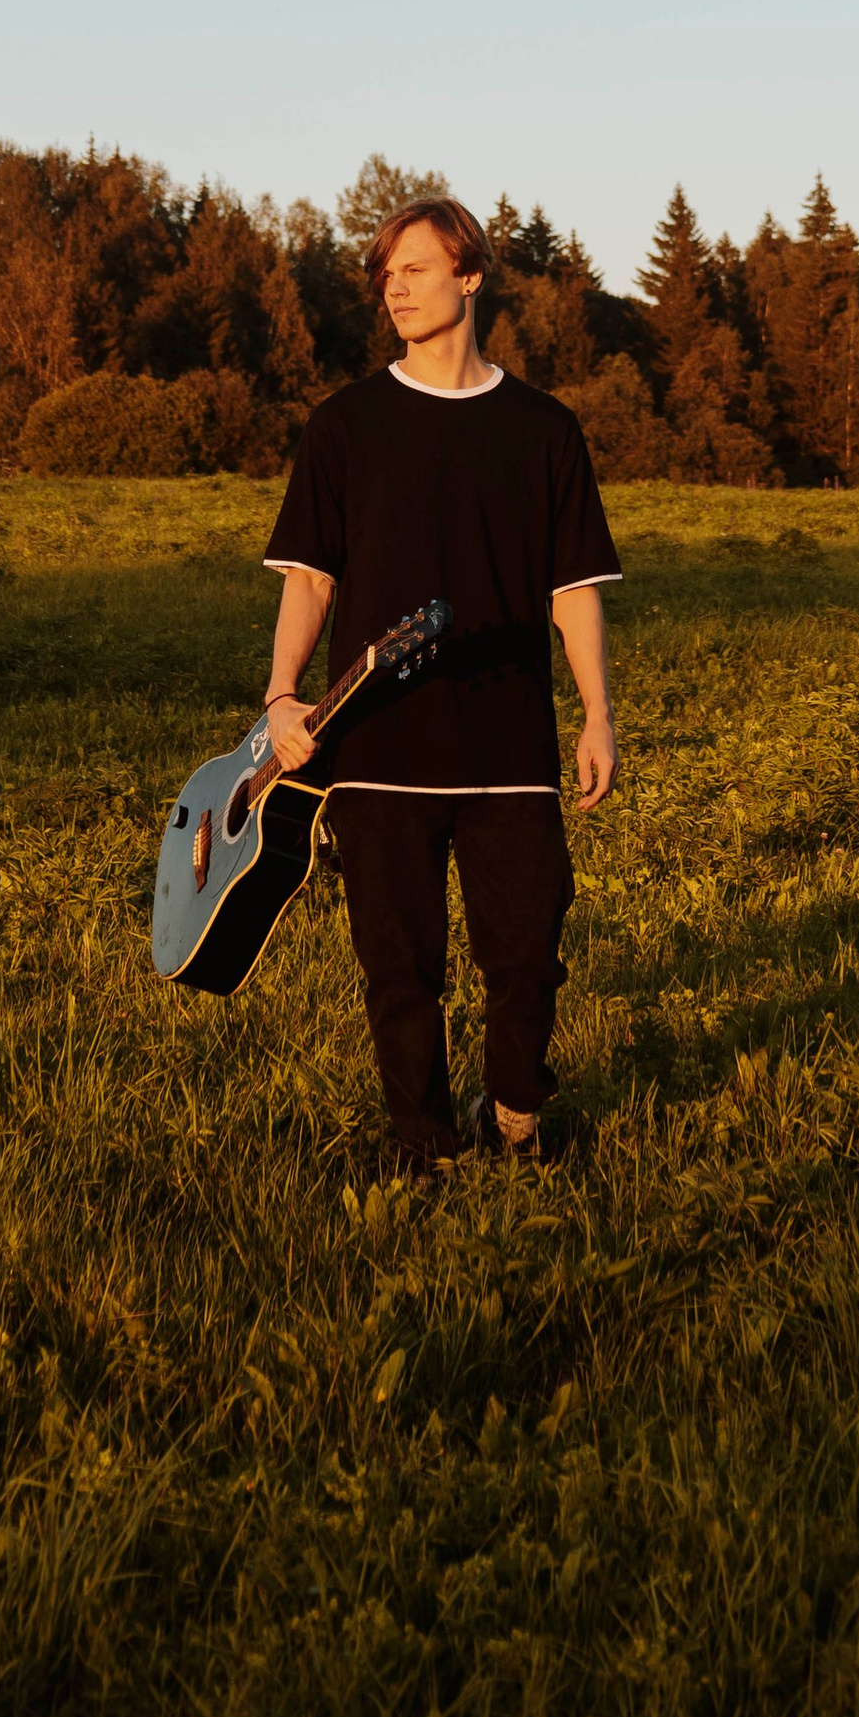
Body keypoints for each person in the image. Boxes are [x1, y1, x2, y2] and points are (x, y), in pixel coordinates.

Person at [261, 195, 621, 1175]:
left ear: (470, 276)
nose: (395, 289)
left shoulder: (543, 429)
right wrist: (282, 696)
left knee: (528, 955)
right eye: (386, 275)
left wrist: (596, 713)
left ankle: (514, 1112)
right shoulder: (345, 425)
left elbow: (574, 589)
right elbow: (310, 578)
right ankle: (423, 1152)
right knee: (399, 971)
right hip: (376, 742)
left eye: (415, 269)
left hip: (510, 742)